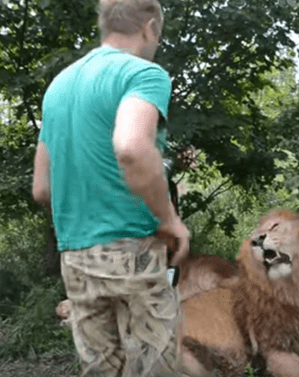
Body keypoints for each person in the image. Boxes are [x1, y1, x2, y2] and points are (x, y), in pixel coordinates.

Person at [31, 0, 190, 376]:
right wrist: (169, 219)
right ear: (150, 26)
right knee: (156, 367)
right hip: (132, 248)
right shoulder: (142, 74)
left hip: (75, 258)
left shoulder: (59, 86)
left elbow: (41, 188)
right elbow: (132, 148)